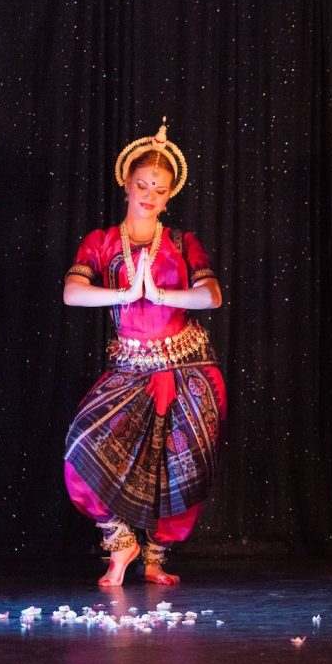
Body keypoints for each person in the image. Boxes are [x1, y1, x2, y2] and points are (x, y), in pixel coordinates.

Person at [62, 119, 226, 586]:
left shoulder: (181, 242)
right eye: (142, 184)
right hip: (129, 368)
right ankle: (120, 542)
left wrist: (160, 296)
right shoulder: (102, 242)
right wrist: (122, 294)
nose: (150, 193)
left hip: (190, 368)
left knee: (184, 468)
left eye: (159, 187)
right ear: (126, 185)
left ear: (170, 195)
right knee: (80, 451)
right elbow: (73, 292)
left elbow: (211, 296)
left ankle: (156, 557)